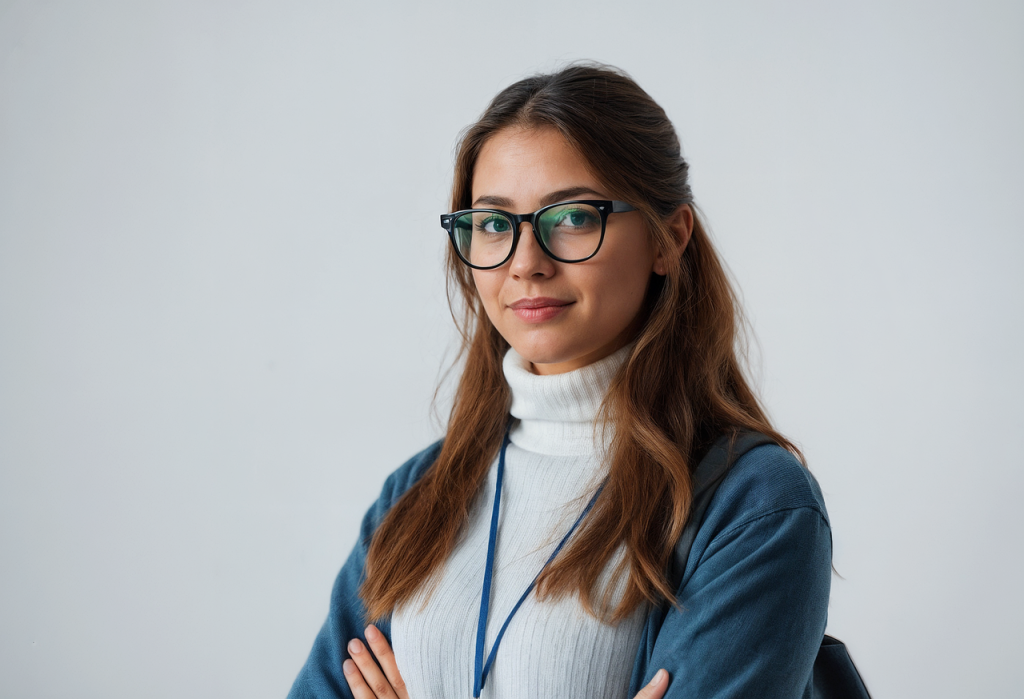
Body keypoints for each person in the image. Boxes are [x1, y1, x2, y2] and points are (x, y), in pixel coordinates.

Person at [287, 63, 832, 699]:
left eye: (572, 217)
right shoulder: (418, 495)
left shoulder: (754, 507)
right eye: (493, 224)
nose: (525, 263)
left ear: (668, 238)